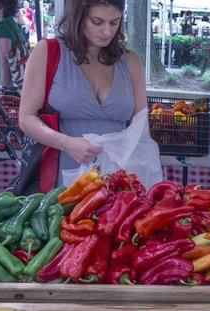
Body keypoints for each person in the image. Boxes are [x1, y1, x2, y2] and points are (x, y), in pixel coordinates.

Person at [18, 0, 147, 178]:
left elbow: (141, 128)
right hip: (59, 178)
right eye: (97, 22)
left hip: (118, 180)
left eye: (114, 22)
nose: (107, 31)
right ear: (78, 17)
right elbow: (26, 118)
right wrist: (66, 143)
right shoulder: (47, 52)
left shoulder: (132, 62)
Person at [0, 0, 24, 87]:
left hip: (5, 82)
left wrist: (2, 90)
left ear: (1, 6)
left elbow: (5, 61)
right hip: (15, 80)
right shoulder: (13, 24)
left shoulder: (3, 27)